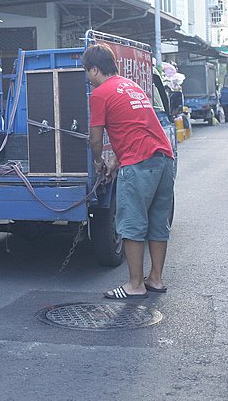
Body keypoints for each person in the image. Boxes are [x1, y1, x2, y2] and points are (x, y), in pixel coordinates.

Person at [82, 43, 175, 300]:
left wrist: (99, 160)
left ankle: (135, 284)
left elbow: (95, 138)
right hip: (164, 159)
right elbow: (136, 128)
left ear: (95, 70)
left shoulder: (100, 93)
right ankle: (155, 279)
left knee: (132, 224)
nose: (87, 78)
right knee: (158, 222)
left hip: (140, 165)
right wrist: (117, 160)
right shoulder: (130, 85)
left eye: (87, 71)